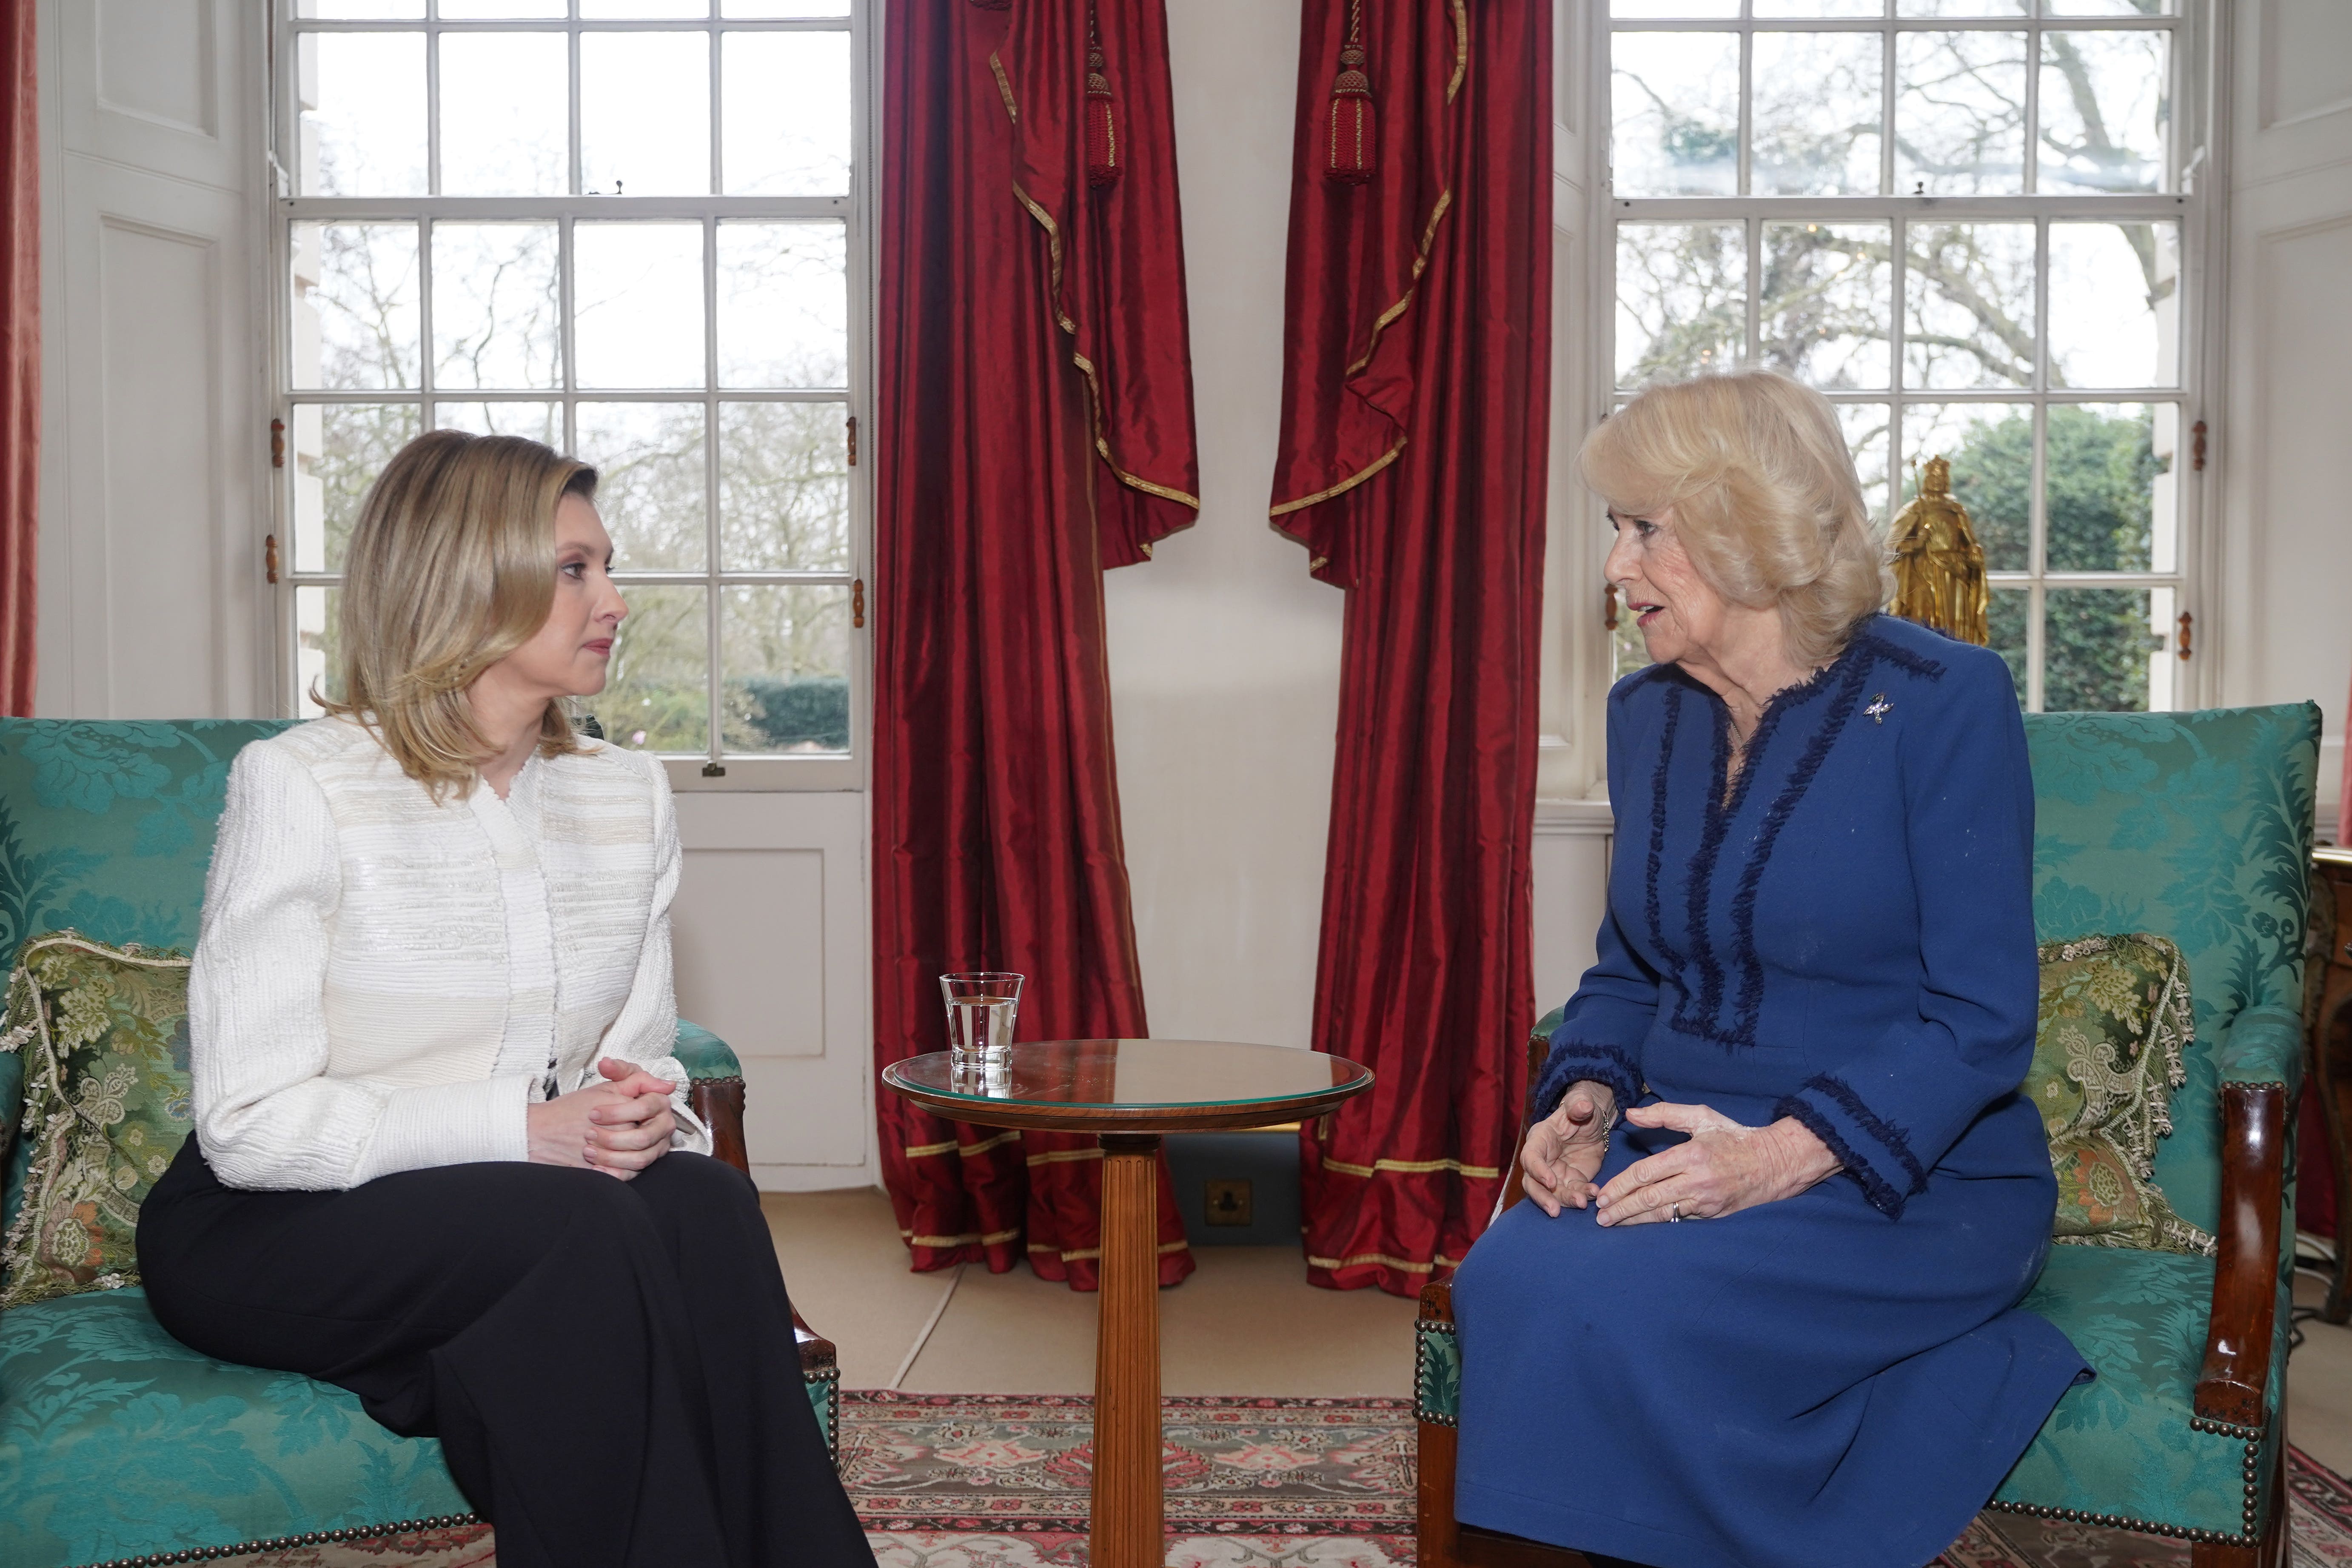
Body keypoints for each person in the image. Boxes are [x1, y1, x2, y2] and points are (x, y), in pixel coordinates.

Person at [136, 431, 875, 1568]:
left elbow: (635, 1061)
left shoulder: (624, 796)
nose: (615, 600)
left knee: (705, 1212)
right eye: (576, 569)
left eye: (606, 566)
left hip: (521, 1212)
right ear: (463, 578)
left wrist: (642, 1110)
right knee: (578, 1232)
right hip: (274, 1221)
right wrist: (526, 1131)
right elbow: (249, 1127)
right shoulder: (302, 785)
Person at [1448, 372, 2087, 1568]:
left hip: (1908, 1176)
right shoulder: (1646, 715)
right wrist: (1582, 1098)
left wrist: (1775, 1158)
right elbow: (1629, 973)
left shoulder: (1945, 701)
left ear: (1744, 525)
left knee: (1618, 1307)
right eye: (1615, 530)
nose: (1613, 567)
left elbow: (1982, 1019)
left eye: (1642, 528)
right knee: (1505, 1285)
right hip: (1676, 1146)